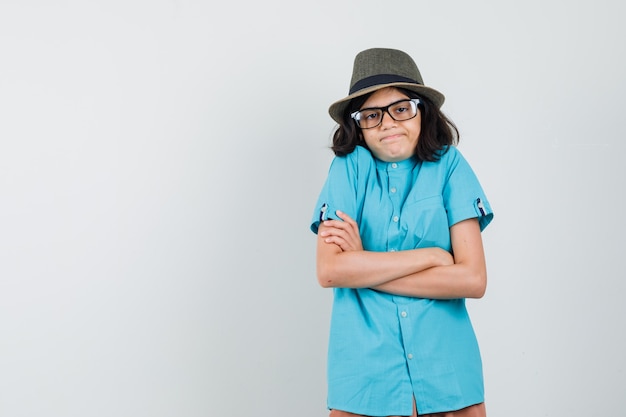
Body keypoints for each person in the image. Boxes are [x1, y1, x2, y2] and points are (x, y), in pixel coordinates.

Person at [310, 48, 494, 417]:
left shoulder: (450, 166)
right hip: (365, 376)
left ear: (422, 111)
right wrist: (431, 257)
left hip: (448, 373)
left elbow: (473, 279)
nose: (388, 123)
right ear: (356, 124)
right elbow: (330, 271)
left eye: (401, 108)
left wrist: (364, 267)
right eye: (372, 115)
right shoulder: (347, 169)